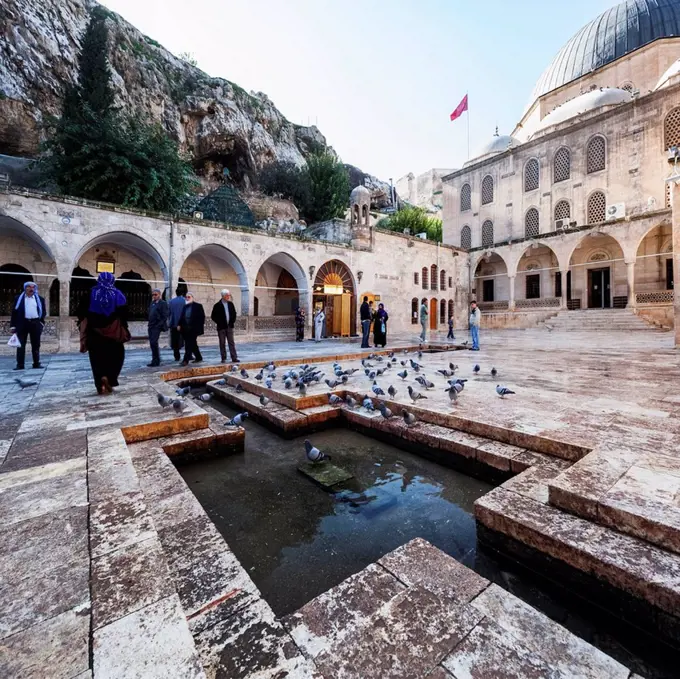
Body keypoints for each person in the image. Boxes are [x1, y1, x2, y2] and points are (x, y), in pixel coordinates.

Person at [78, 272, 129, 395]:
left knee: (96, 360)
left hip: (94, 334)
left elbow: (80, 312)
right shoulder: (118, 294)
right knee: (116, 357)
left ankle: (99, 384)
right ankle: (110, 379)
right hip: (113, 336)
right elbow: (125, 314)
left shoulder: (90, 294)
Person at [10, 281, 46, 371]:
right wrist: (13, 326)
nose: (31, 289)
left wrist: (41, 323)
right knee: (21, 345)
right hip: (22, 323)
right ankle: (20, 364)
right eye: (29, 287)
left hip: (35, 323)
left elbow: (43, 312)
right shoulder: (18, 299)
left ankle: (36, 363)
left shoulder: (40, 299)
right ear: (25, 288)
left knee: (36, 345)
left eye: (33, 287)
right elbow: (14, 313)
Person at [211, 289, 239, 363]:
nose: (228, 296)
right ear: (223, 296)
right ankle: (223, 358)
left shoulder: (230, 304)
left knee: (231, 342)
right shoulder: (217, 305)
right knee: (222, 343)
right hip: (221, 328)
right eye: (227, 295)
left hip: (229, 327)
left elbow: (234, 314)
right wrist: (219, 322)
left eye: (229, 295)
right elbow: (213, 316)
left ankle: (234, 357)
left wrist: (232, 321)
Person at [177, 292, 205, 366]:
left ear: (192, 297)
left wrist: (198, 327)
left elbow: (202, 318)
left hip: (194, 329)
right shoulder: (185, 306)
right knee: (192, 344)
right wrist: (179, 324)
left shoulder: (198, 306)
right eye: (186, 297)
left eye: (189, 297)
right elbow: (181, 317)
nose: (187, 298)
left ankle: (185, 360)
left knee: (189, 344)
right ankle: (199, 357)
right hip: (185, 328)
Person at [147, 288, 169, 367]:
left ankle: (156, 360)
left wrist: (159, 325)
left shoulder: (163, 303)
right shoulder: (152, 303)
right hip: (151, 325)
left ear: (159, 295)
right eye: (153, 294)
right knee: (152, 343)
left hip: (157, 326)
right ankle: (155, 359)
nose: (154, 296)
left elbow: (165, 315)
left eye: (155, 294)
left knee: (153, 342)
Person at [169, 287, 186, 362]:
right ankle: (189, 355)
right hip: (184, 324)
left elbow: (169, 313)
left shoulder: (171, 301)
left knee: (175, 341)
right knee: (187, 340)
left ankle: (177, 356)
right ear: (182, 293)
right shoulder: (185, 301)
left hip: (174, 324)